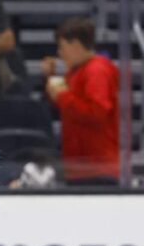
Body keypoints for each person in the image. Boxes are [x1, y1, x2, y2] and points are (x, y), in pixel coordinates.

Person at [43, 16, 119, 186]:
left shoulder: (96, 70)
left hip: (96, 167)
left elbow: (97, 112)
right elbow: (68, 107)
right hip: (81, 165)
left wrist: (62, 95)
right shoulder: (76, 71)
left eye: (62, 47)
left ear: (75, 45)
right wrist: (49, 79)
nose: (60, 53)